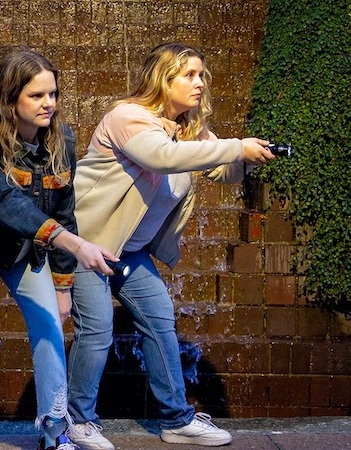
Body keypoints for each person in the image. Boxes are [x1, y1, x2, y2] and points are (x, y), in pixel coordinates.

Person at [66, 42, 277, 449]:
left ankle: (176, 420)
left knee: (160, 321)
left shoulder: (191, 130)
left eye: (202, 75)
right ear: (164, 80)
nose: (199, 83)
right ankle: (76, 421)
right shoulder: (127, 116)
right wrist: (236, 145)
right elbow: (161, 156)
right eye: (189, 75)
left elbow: (220, 170)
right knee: (96, 330)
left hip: (130, 251)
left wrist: (250, 158)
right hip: (86, 244)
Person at [0, 50, 117, 450]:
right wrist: (75, 246)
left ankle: (55, 431)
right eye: (37, 96)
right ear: (11, 99)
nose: (49, 104)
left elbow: (64, 208)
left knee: (48, 325)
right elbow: (5, 202)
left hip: (24, 250)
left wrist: (63, 286)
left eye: (53, 94)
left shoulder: (63, 140)